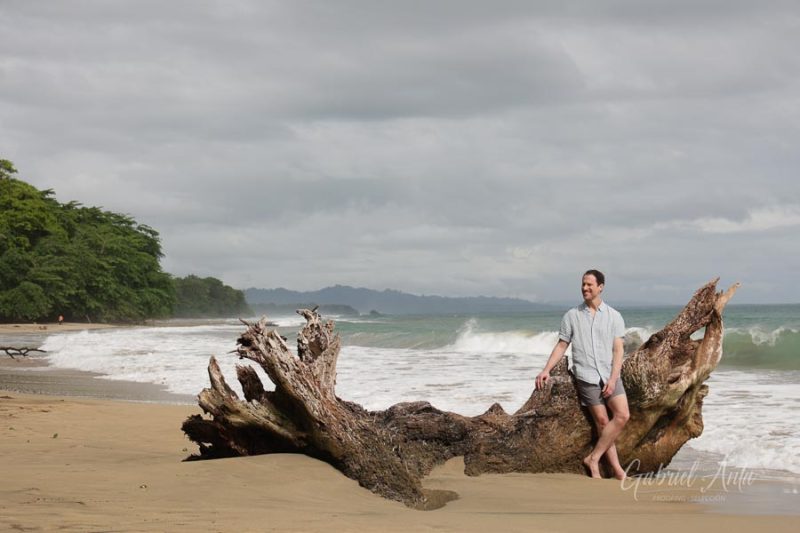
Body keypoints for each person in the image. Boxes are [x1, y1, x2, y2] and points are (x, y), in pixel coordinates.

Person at [535, 269, 629, 479]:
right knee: (603, 423)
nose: (585, 288)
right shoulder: (572, 315)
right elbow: (562, 345)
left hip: (609, 374)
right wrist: (546, 370)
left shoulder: (614, 316)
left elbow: (618, 350)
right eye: (583, 284)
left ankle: (593, 458)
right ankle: (617, 471)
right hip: (586, 376)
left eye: (589, 285)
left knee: (622, 415)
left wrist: (613, 379)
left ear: (600, 287)